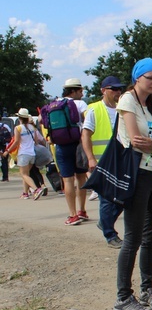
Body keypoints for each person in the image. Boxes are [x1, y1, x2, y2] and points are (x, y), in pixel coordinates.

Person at [112, 58, 152, 310]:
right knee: (132, 237)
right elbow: (136, 141)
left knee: (149, 236)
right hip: (137, 174)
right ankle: (123, 297)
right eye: (150, 78)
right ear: (137, 78)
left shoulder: (151, 104)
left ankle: (147, 289)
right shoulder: (128, 100)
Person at [81, 76, 126, 248]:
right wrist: (91, 158)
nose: (117, 92)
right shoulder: (95, 109)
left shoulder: (122, 108)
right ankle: (110, 234)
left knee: (124, 197)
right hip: (102, 161)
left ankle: (105, 222)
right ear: (103, 90)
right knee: (107, 199)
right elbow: (86, 134)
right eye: (113, 89)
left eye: (119, 89)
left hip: (121, 160)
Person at [56, 78, 90, 225]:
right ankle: (82, 210)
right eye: (80, 91)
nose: (82, 94)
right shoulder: (81, 104)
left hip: (62, 145)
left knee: (68, 179)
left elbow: (42, 120)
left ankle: (72, 214)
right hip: (78, 144)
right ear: (73, 91)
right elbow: (87, 120)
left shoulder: (55, 103)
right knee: (81, 177)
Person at [3, 109, 45, 200]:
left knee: (24, 174)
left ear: (19, 118)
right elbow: (36, 141)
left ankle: (36, 189)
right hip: (32, 153)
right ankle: (25, 193)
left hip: (23, 153)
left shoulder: (18, 128)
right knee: (26, 174)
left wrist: (8, 150)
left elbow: (16, 141)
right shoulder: (32, 127)